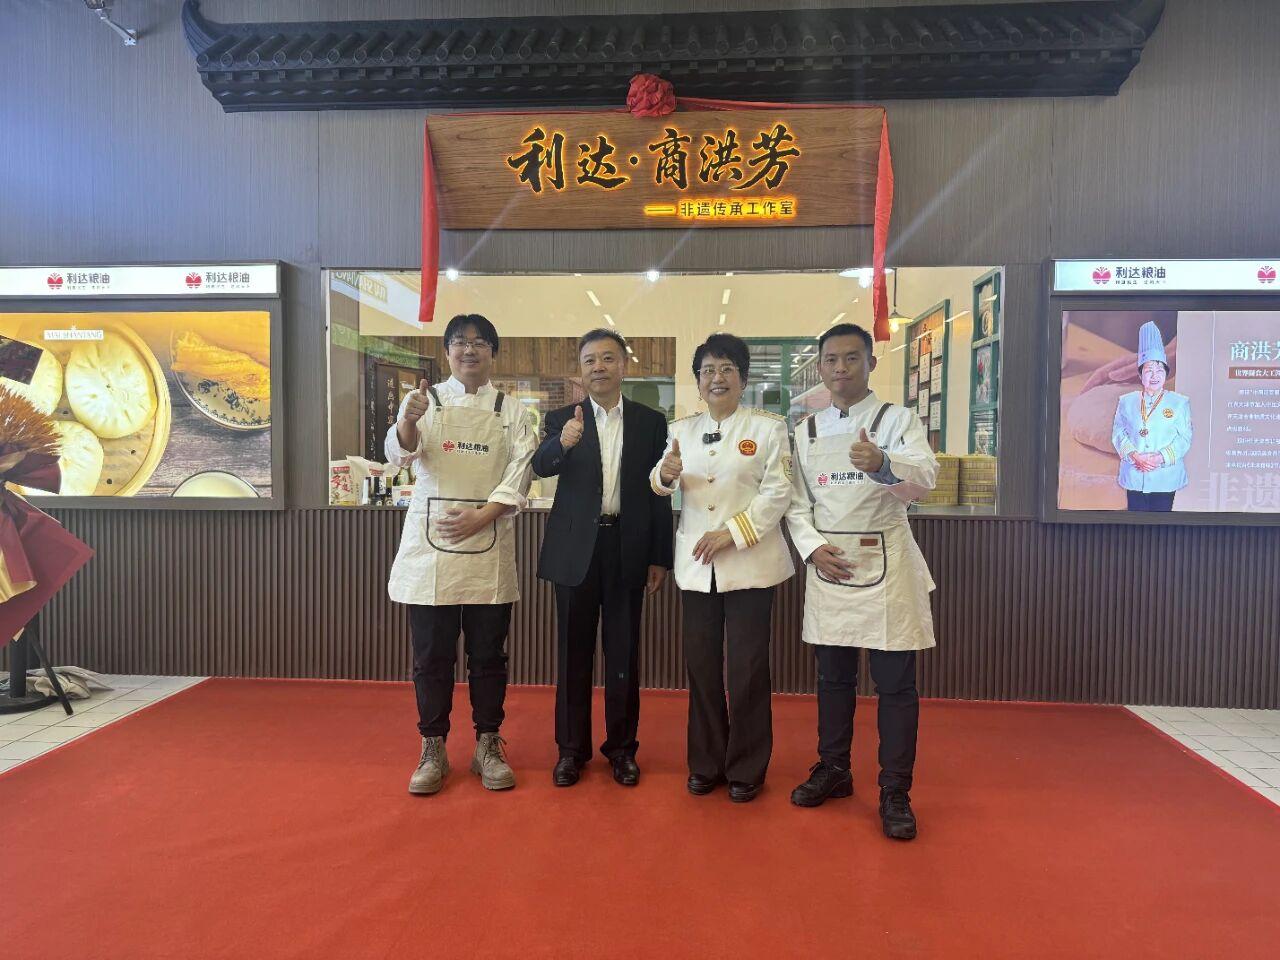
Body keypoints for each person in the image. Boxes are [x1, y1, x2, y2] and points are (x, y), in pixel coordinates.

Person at [785, 323, 938, 840]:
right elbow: (795, 501)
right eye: (831, 360)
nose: (841, 368)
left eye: (852, 358)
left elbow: (926, 479)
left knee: (895, 685)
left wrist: (884, 463)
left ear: (871, 363)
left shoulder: (898, 419)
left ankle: (895, 790)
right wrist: (811, 549)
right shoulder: (805, 430)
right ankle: (834, 768)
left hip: (887, 562)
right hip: (829, 563)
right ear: (820, 367)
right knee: (833, 679)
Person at [385, 314, 535, 795]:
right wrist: (407, 421)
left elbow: (522, 471)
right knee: (431, 657)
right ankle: (432, 747)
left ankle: (488, 744)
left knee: (489, 656)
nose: (469, 350)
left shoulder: (511, 411)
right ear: (447, 351)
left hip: (488, 545)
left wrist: (482, 516)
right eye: (459, 342)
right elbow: (401, 454)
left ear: (493, 352)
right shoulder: (424, 401)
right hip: (432, 551)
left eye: (479, 343)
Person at [650, 333, 793, 803]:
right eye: (708, 370)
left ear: (743, 379)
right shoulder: (681, 429)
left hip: (751, 563)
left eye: (727, 369)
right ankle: (706, 762)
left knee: (748, 669)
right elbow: (659, 480)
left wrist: (732, 532)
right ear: (697, 381)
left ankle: (747, 765)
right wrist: (665, 474)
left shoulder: (768, 429)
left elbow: (778, 493)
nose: (717, 378)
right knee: (702, 667)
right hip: (697, 568)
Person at [532, 329, 673, 787]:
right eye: (590, 359)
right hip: (575, 551)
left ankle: (622, 750)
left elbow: (657, 494)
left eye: (608, 358)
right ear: (581, 369)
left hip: (627, 547)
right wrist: (563, 442)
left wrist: (659, 556)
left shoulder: (651, 422)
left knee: (624, 653)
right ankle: (570, 751)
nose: (599, 367)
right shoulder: (561, 419)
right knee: (572, 655)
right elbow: (540, 466)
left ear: (623, 366)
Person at [1111, 321, 1192, 512]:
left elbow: (1184, 438)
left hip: (1166, 476)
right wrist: (1135, 456)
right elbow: (1118, 433)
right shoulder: (1126, 401)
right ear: (1140, 375)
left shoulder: (1179, 403)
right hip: (1134, 472)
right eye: (1149, 371)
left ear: (1166, 374)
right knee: (1136, 520)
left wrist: (1159, 458)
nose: (1154, 376)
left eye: (1160, 370)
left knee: (1161, 523)